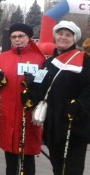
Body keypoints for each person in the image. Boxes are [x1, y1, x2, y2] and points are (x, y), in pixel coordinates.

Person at [0, 23, 46, 175]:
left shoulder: (39, 58)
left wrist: (36, 81)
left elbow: (46, 83)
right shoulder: (2, 57)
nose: (17, 39)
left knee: (27, 155)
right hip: (7, 112)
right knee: (10, 153)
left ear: (28, 38)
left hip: (26, 112)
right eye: (14, 37)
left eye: (21, 36)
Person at [36, 21, 90, 175]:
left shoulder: (84, 60)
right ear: (55, 36)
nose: (63, 37)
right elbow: (39, 86)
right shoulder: (48, 62)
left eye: (68, 35)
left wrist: (80, 105)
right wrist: (28, 92)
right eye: (60, 33)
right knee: (57, 166)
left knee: (71, 168)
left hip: (73, 124)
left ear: (74, 39)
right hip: (53, 124)